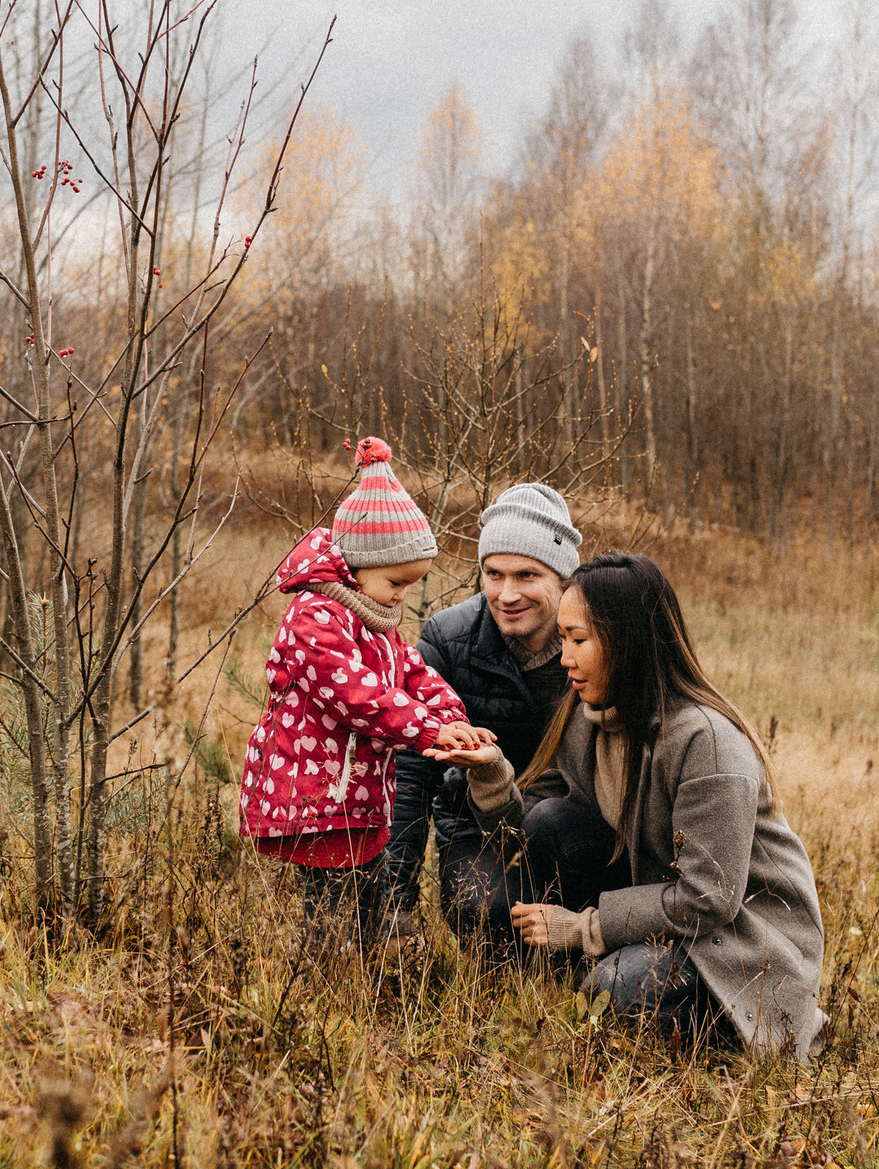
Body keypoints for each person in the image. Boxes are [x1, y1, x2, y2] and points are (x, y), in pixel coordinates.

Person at [466, 552, 826, 1056]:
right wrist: (489, 772)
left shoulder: (706, 742)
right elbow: (525, 834)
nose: (564, 657)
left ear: (626, 642)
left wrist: (583, 929)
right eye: (563, 638)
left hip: (738, 944)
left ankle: (739, 1030)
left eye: (578, 640)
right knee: (551, 820)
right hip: (661, 913)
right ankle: (587, 978)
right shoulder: (586, 720)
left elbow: (708, 899)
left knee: (612, 990)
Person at [236, 438, 494, 946]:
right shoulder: (314, 619)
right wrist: (428, 729)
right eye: (396, 582)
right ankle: (328, 981)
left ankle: (375, 963)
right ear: (356, 566)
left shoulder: (372, 619)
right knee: (332, 911)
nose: (402, 596)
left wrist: (451, 717)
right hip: (317, 796)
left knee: (369, 891)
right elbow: (358, 695)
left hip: (358, 793)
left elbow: (413, 672)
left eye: (410, 585)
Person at [381, 482, 598, 945]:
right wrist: (395, 905)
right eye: (493, 574)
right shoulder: (448, 640)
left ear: (563, 579)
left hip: (576, 822)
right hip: (475, 824)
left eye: (527, 575)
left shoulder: (598, 642)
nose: (507, 594)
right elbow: (411, 777)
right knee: (483, 911)